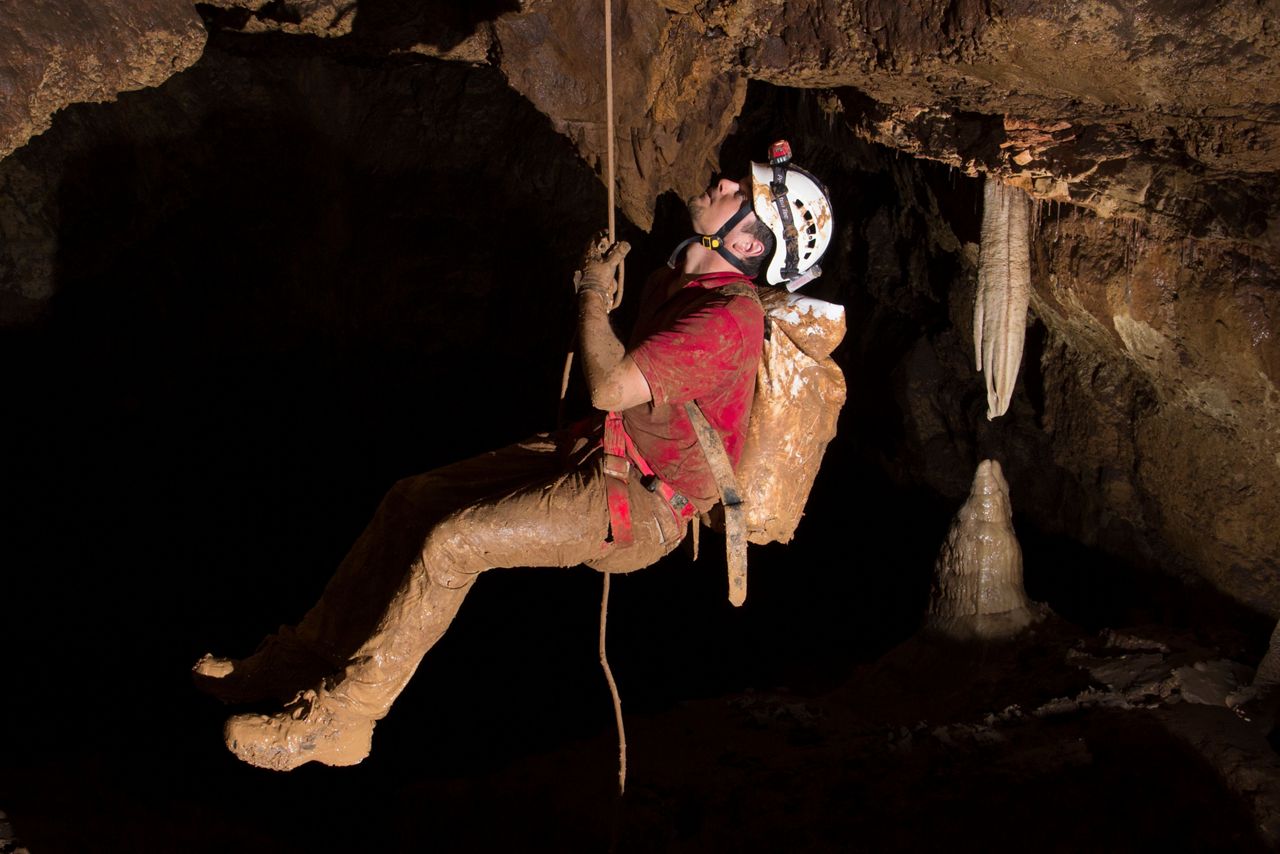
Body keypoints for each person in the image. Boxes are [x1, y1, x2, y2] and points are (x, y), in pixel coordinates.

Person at [194, 146, 835, 770]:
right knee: (410, 498)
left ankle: (345, 721)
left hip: (643, 503)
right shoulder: (675, 278)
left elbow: (610, 386)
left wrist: (590, 297)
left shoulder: (728, 317)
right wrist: (604, 306)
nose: (722, 181)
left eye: (737, 193)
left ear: (750, 244)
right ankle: (302, 658)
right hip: (602, 448)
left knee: (452, 543)